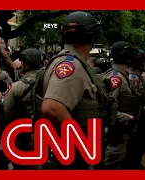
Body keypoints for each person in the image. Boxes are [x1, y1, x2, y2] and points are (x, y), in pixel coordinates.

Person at [40, 11, 108, 170]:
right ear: (91, 36)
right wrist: (82, 144)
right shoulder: (72, 65)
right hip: (71, 158)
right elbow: (52, 107)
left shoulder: (72, 62)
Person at [3, 48, 42, 170]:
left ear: (24, 65)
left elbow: (6, 112)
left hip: (24, 141)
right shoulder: (50, 81)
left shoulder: (17, 87)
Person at [102, 41, 136, 170]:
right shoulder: (116, 77)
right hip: (116, 131)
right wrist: (125, 117)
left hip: (121, 129)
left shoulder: (122, 75)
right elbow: (107, 105)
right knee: (111, 164)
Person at [125, 51, 145, 169]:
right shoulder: (133, 77)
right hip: (136, 118)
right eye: (144, 61)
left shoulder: (140, 76)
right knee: (134, 146)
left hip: (142, 116)